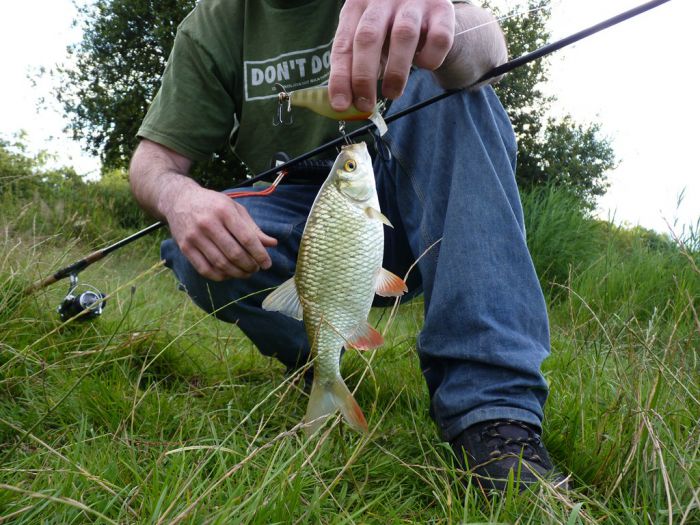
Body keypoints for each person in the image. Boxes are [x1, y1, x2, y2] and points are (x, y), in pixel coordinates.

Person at [129, 0, 564, 492]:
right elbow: (152, 163)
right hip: (295, 206)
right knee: (194, 245)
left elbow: (488, 50)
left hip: (419, 195)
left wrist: (439, 29)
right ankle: (316, 355)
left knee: (450, 81)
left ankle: (493, 416)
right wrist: (179, 197)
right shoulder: (213, 24)